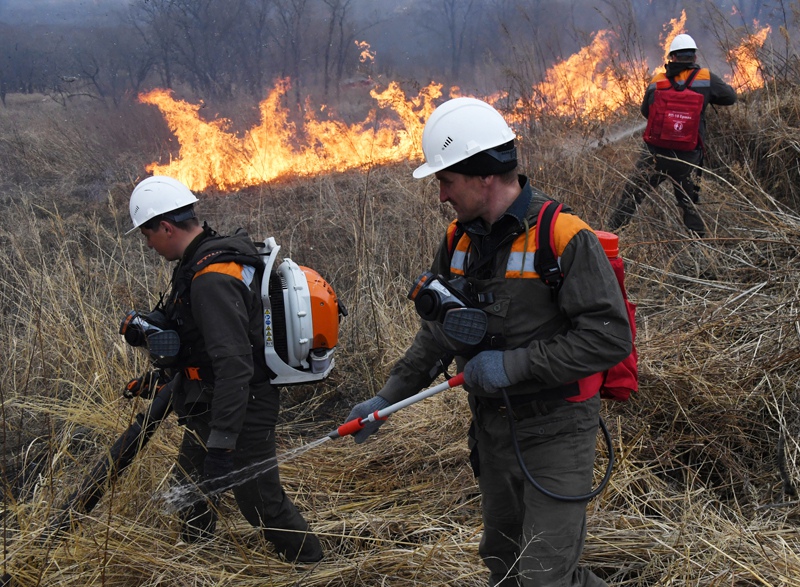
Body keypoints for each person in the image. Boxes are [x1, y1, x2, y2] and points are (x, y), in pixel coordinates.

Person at [346, 98, 632, 586]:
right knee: (503, 561)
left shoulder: (563, 237)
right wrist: (388, 398)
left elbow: (609, 340)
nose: (440, 196)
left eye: (446, 181)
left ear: (483, 176)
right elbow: (439, 331)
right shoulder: (458, 242)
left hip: (557, 431)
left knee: (543, 577)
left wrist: (513, 365)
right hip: (494, 431)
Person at [125, 176, 323, 562]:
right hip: (210, 401)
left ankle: (314, 566)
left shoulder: (210, 279)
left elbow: (234, 365)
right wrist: (161, 379)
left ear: (166, 227)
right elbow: (205, 344)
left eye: (147, 234)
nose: (147, 244)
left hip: (241, 407)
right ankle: (200, 563)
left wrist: (222, 444)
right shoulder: (205, 259)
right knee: (190, 488)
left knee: (260, 503)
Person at [607, 33, 737, 237]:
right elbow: (730, 98)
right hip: (688, 157)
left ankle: (610, 237)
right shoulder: (705, 78)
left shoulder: (657, 80)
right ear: (694, 57)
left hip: (655, 155)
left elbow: (646, 112)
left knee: (631, 196)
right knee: (689, 205)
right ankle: (700, 249)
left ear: (672, 58)